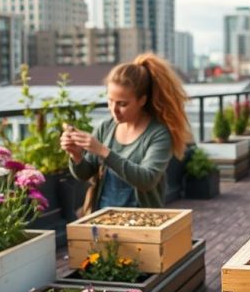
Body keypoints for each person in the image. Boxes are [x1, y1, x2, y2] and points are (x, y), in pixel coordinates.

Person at [61, 53, 192, 212]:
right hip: (103, 218)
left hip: (143, 223)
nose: (114, 110)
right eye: (110, 101)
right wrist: (76, 155)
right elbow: (85, 173)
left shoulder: (158, 134)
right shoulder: (106, 127)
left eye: (122, 104)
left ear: (142, 101)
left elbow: (146, 180)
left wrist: (103, 151)